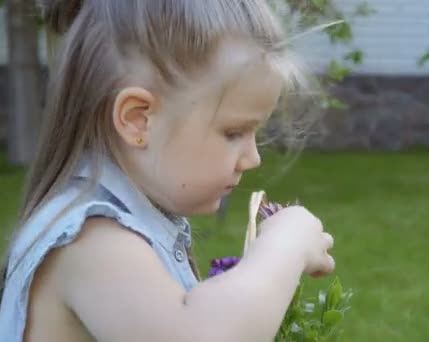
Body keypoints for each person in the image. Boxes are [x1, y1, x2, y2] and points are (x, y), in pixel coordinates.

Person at [0, 1, 335, 341]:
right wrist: (283, 246)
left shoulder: (133, 226)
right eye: (233, 132)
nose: (252, 158)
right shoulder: (90, 242)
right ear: (138, 119)